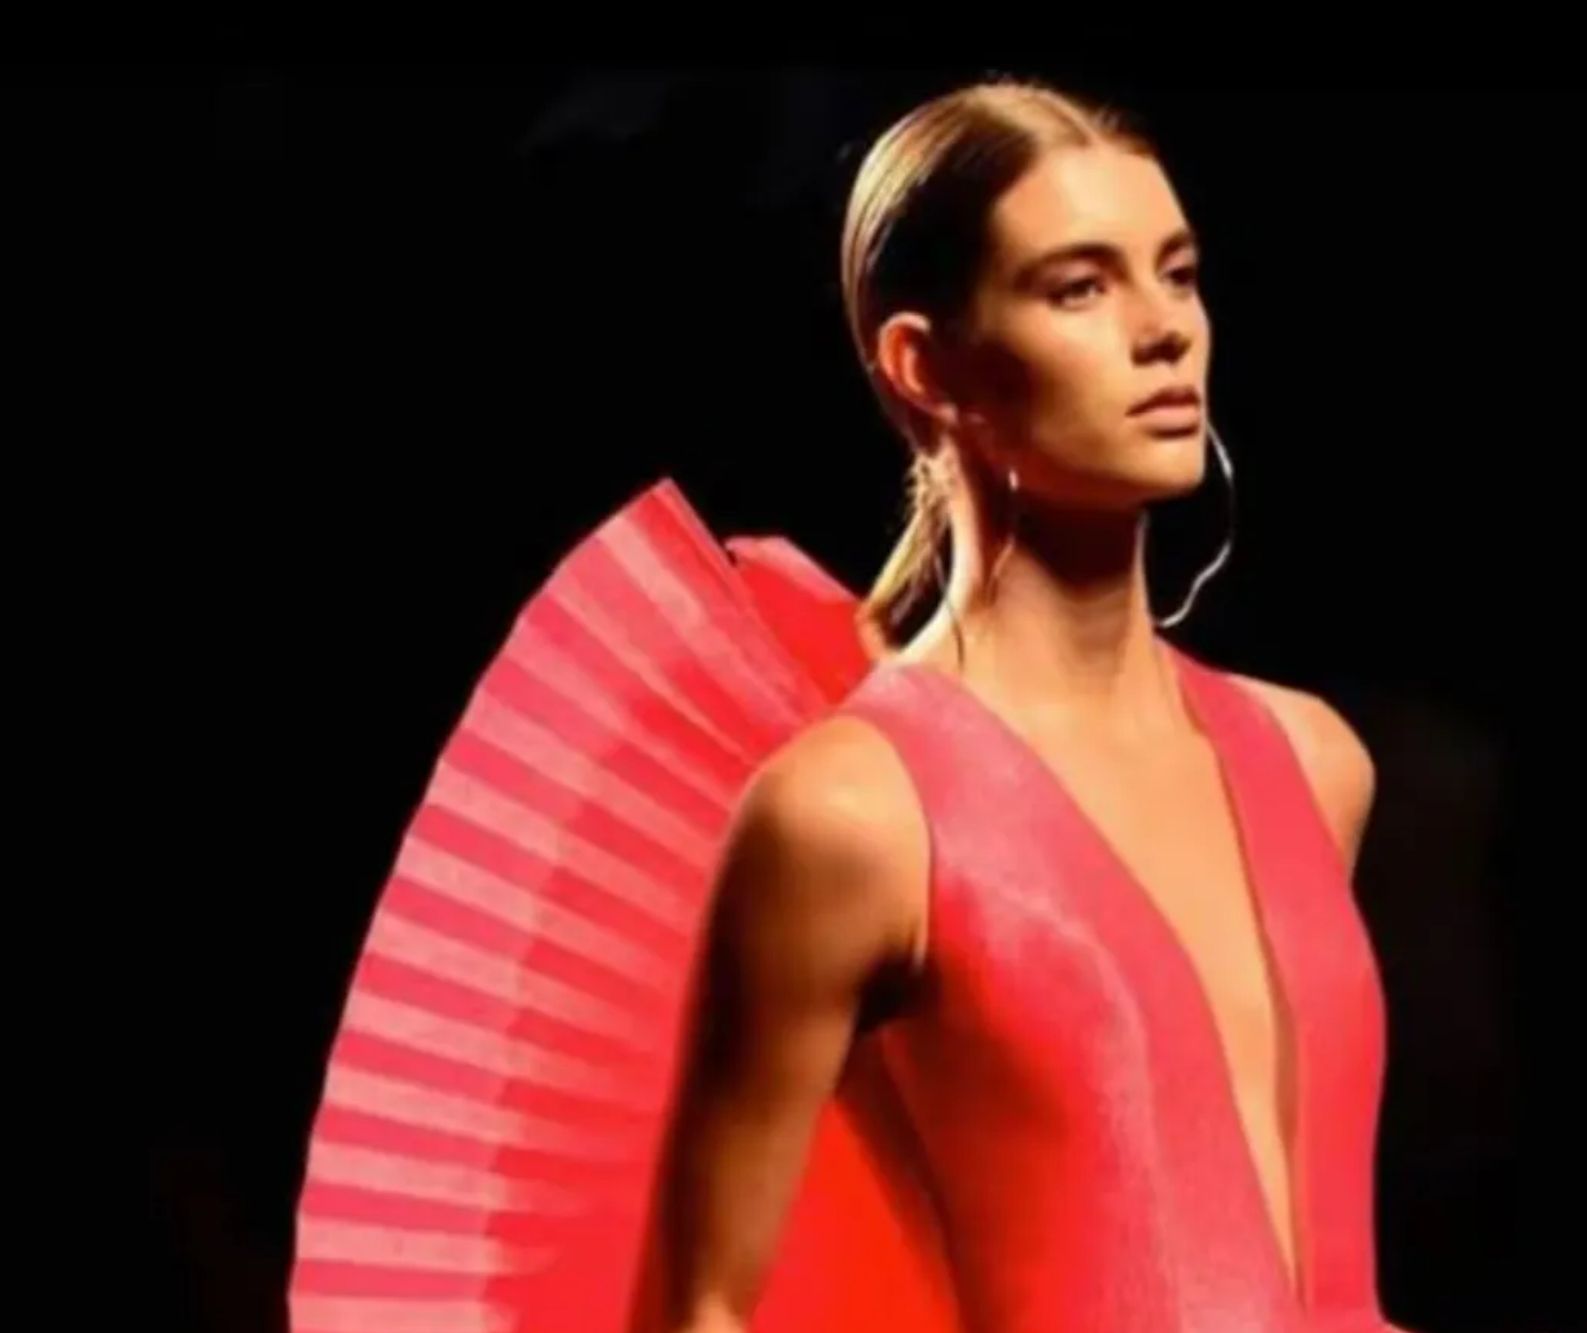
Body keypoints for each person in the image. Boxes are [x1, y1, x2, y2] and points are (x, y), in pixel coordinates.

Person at [289, 78, 1399, 1333]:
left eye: (1178, 273)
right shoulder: (858, 808)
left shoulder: (1310, 762)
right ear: (924, 365)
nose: (1164, 331)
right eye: (1079, 287)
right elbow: (700, 1310)